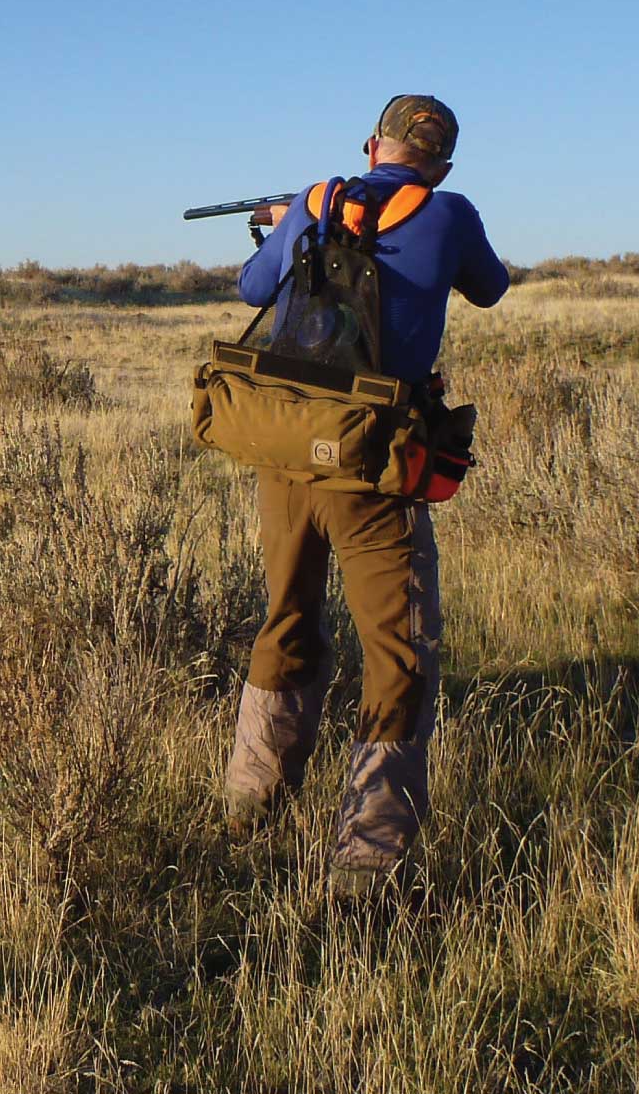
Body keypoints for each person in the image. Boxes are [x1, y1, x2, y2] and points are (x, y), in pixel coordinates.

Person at [222, 93, 510, 883]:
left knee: (284, 621)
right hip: (375, 469)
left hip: (286, 460)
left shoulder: (316, 202)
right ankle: (368, 859)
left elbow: (253, 290)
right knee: (397, 653)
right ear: (442, 163)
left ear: (369, 144)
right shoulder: (449, 213)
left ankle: (250, 800)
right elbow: (490, 287)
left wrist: (289, 224)